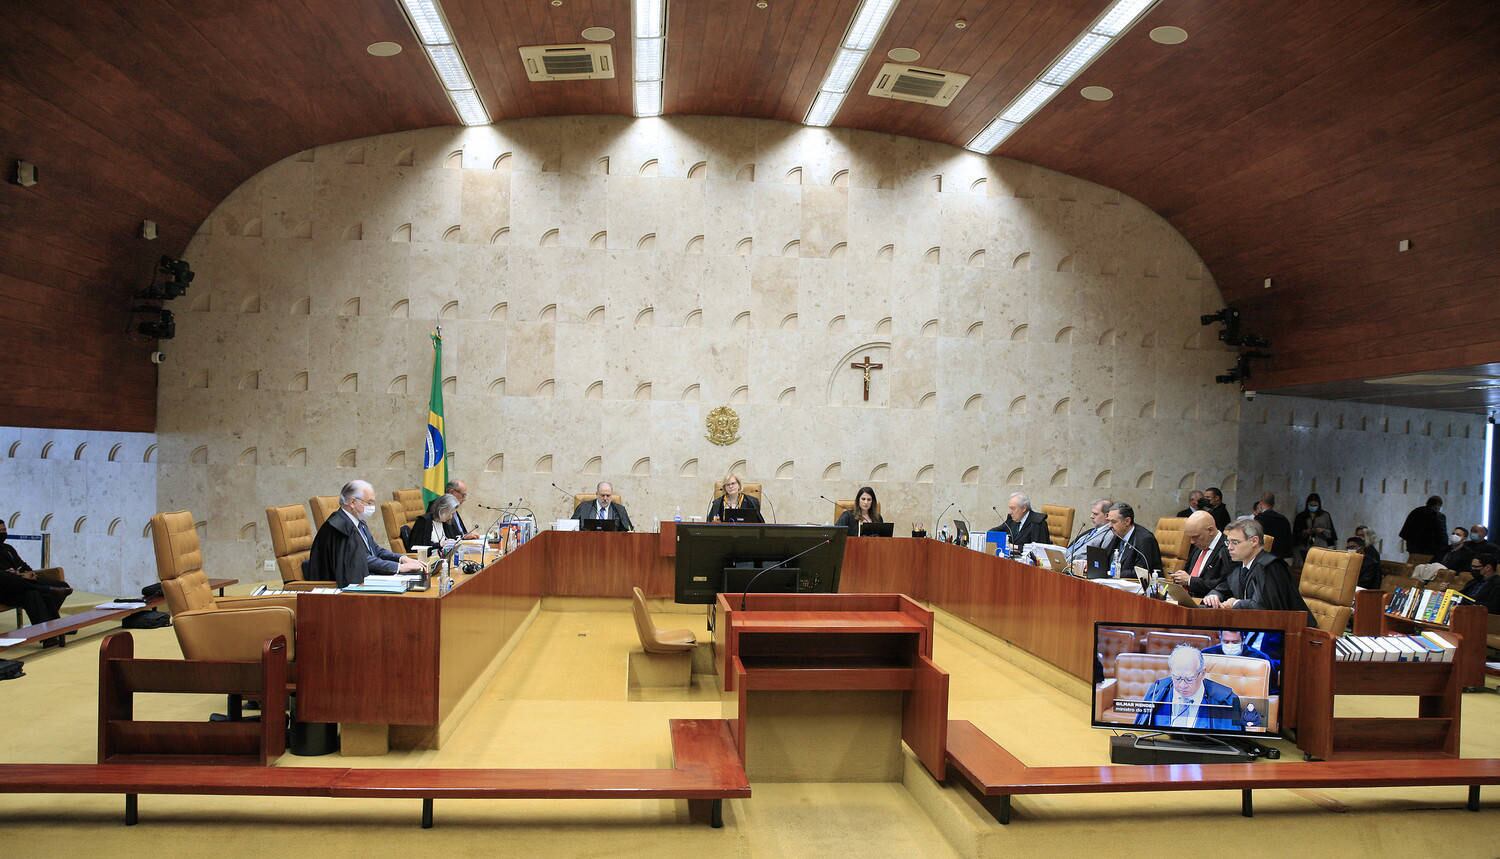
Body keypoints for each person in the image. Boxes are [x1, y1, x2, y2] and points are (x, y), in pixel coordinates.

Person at [309, 480, 426, 588]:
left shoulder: (358, 523)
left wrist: (402, 558)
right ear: (353, 502)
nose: (372, 507)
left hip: (366, 578)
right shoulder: (339, 527)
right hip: (338, 591)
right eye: (369, 502)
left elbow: (375, 550)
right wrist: (399, 568)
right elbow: (359, 560)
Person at [1204, 518, 1317, 626]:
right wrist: (1214, 596)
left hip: (1295, 635)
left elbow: (1264, 608)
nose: (1229, 548)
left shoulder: (1270, 567)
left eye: (1235, 542)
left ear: (1254, 541)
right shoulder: (1239, 566)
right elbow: (1223, 588)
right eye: (1228, 542)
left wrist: (1235, 603)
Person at [1133, 644, 1243, 731]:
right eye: (1177, 678)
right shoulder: (1157, 690)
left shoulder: (1226, 700)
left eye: (1189, 679)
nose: (1182, 685)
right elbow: (1140, 731)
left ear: (1202, 673)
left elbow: (1234, 745)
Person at [0, 521, 71, 646]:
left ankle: (53, 626)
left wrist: (29, 573)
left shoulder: (8, 548)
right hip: (6, 590)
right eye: (0, 531)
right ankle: (49, 634)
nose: (3, 533)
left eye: (4, 530)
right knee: (31, 592)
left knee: (61, 586)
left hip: (22, 585)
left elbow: (24, 565)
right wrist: (20, 575)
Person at [1168, 511, 1230, 597]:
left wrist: (1190, 580)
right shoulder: (1199, 545)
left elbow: (1223, 585)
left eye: (1195, 536)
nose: (1192, 541)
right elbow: (1187, 572)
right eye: (1190, 537)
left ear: (1210, 530)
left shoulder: (1228, 549)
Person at [1104, 502, 1163, 573]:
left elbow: (1142, 571)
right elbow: (1105, 558)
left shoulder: (1144, 539)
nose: (1109, 526)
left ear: (1127, 521)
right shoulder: (1118, 535)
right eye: (1109, 521)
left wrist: (1113, 573)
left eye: (1113, 522)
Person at [1398, 495, 1448, 559]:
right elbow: (1442, 535)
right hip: (1431, 552)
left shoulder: (1415, 511)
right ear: (1438, 505)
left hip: (1413, 550)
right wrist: (1445, 549)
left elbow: (1404, 532)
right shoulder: (1438, 516)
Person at [1065, 498, 1114, 563]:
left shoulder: (1109, 535)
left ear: (1107, 516)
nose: (1091, 516)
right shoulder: (1091, 531)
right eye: (1092, 513)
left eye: (1095, 514)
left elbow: (1100, 560)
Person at [1292, 493, 1337, 560]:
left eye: (1315, 505)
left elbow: (1332, 534)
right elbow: (1295, 534)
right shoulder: (1301, 516)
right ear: (1307, 504)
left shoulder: (1325, 515)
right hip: (1305, 548)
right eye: (1311, 505)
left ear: (1319, 505)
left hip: (1321, 547)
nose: (1313, 507)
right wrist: (1305, 532)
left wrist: (1323, 530)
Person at [1253, 492, 1293, 559]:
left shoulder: (1260, 518)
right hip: (1281, 556)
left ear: (1261, 503)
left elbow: (1255, 537)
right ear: (1273, 504)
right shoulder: (1283, 519)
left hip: (1264, 556)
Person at [1202, 629, 1271, 663]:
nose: (1230, 646)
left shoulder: (1260, 659)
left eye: (1235, 642)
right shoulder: (1206, 655)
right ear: (1220, 639)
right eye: (1226, 642)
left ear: (1243, 640)